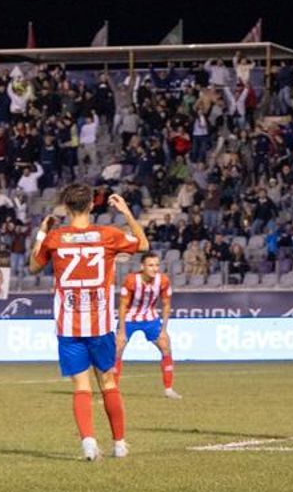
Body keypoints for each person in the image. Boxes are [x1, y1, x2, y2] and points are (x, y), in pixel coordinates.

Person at [28, 183, 147, 461]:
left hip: (69, 324)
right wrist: (126, 212)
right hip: (100, 323)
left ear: (66, 207)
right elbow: (143, 244)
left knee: (81, 387)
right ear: (92, 205)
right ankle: (119, 444)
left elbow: (34, 266)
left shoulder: (56, 237)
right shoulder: (107, 235)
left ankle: (89, 444)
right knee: (108, 382)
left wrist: (42, 231)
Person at [114, 252, 180, 399]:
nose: (154, 268)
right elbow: (123, 306)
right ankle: (112, 392)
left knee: (166, 346)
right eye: (150, 265)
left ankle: (168, 389)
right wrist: (122, 331)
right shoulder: (131, 280)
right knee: (117, 350)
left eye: (157, 265)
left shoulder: (163, 280)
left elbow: (166, 305)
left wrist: (164, 330)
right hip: (129, 318)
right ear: (142, 266)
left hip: (150, 318)